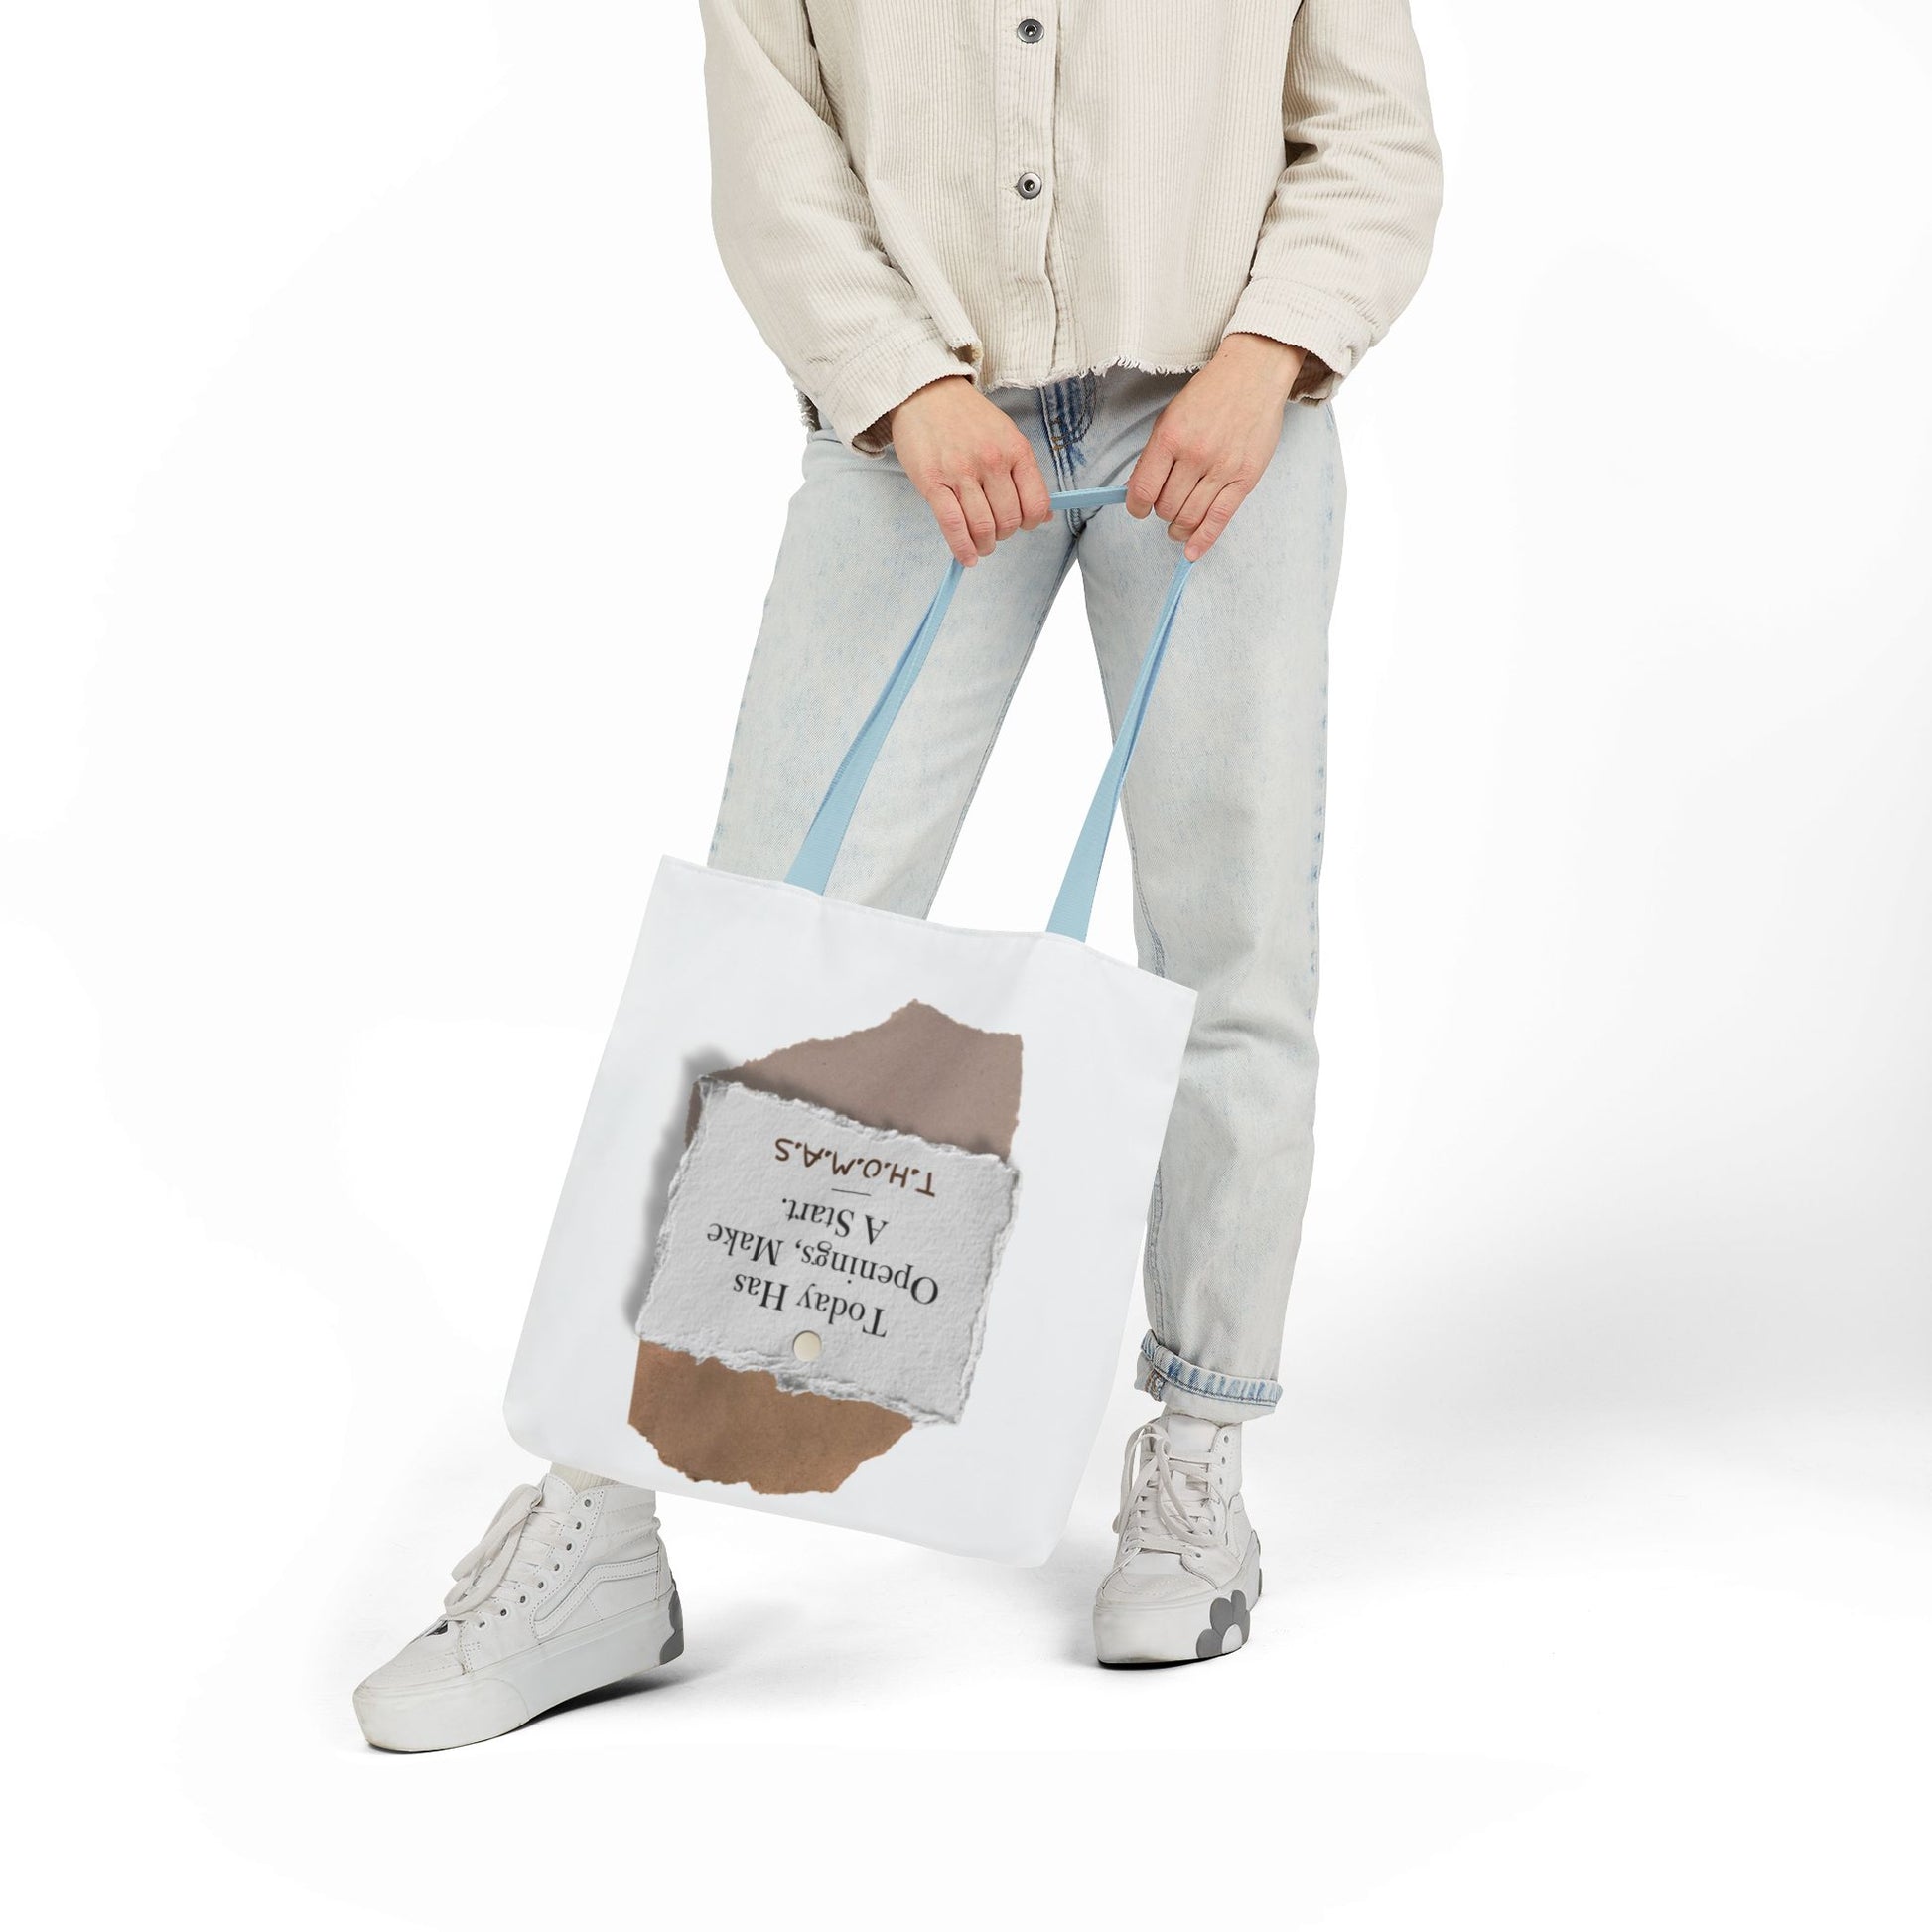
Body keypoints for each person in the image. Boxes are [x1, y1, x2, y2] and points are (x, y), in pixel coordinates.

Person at [354, 0, 1441, 1750]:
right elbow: (772, 145)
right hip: (911, 439)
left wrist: (1271, 355)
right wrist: (899, 380)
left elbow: (1368, 136)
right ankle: (600, 1511)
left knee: (1231, 951)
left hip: (1220, 428)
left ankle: (1198, 1453)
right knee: (766, 960)